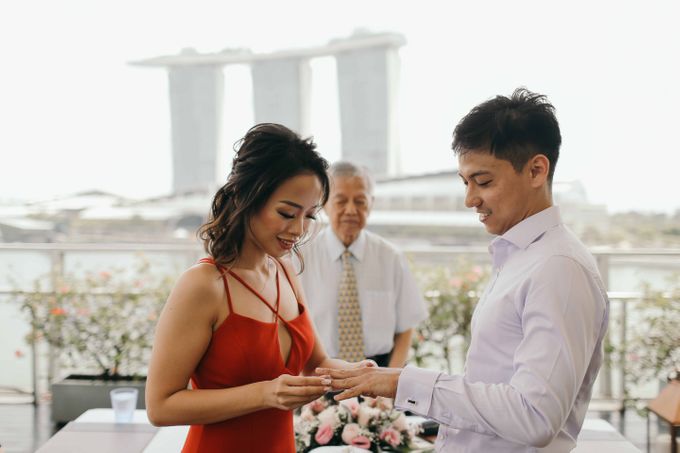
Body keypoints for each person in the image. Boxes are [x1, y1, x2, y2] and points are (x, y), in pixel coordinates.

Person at [318, 88, 610, 452]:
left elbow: (534, 415)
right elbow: (492, 385)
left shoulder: (559, 270)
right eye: (465, 182)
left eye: (483, 182)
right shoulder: (520, 258)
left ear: (536, 170)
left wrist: (401, 382)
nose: (470, 199)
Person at [145, 123, 374, 453]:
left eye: (309, 216)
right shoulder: (204, 285)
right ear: (247, 198)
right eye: (286, 213)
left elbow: (317, 363)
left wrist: (364, 374)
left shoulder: (284, 270)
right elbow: (160, 406)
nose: (298, 230)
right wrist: (264, 394)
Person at [299, 161, 428, 367]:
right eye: (341, 201)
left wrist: (388, 386)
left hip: (378, 374)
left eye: (360, 201)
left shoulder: (391, 258)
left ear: (371, 203)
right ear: (324, 203)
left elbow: (405, 329)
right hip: (318, 374)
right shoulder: (301, 259)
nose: (351, 210)